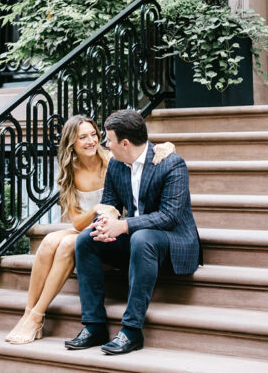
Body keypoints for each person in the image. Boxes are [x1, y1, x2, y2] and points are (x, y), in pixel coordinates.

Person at [4, 115, 175, 344]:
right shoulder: (70, 170)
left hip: (118, 228)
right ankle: (28, 313)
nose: (92, 141)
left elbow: (137, 147)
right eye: (83, 137)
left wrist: (168, 145)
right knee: (47, 243)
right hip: (90, 224)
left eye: (94, 134)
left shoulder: (112, 158)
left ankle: (37, 315)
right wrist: (96, 208)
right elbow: (77, 222)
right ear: (71, 143)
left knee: (66, 244)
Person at [65, 108, 202, 355]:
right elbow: (109, 204)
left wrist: (124, 226)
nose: (105, 145)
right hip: (138, 241)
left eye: (109, 139)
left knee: (142, 237)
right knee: (87, 239)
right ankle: (94, 325)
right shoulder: (117, 165)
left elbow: (169, 217)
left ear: (125, 143)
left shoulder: (172, 164)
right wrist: (106, 225)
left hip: (173, 242)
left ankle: (131, 330)